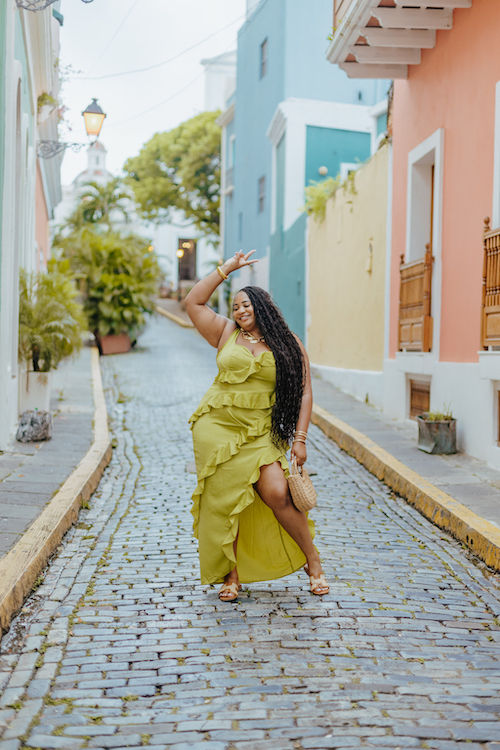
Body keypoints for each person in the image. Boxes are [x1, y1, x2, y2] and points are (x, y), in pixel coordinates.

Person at [184, 250, 329, 601]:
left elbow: (306, 393)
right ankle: (230, 576)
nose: (239, 311)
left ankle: (313, 562)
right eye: (235, 306)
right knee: (224, 499)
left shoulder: (289, 344)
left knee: (278, 493)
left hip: (259, 432)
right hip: (216, 429)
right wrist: (227, 269)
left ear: (262, 307)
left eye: (246, 304)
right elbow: (193, 301)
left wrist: (300, 438)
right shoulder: (225, 332)